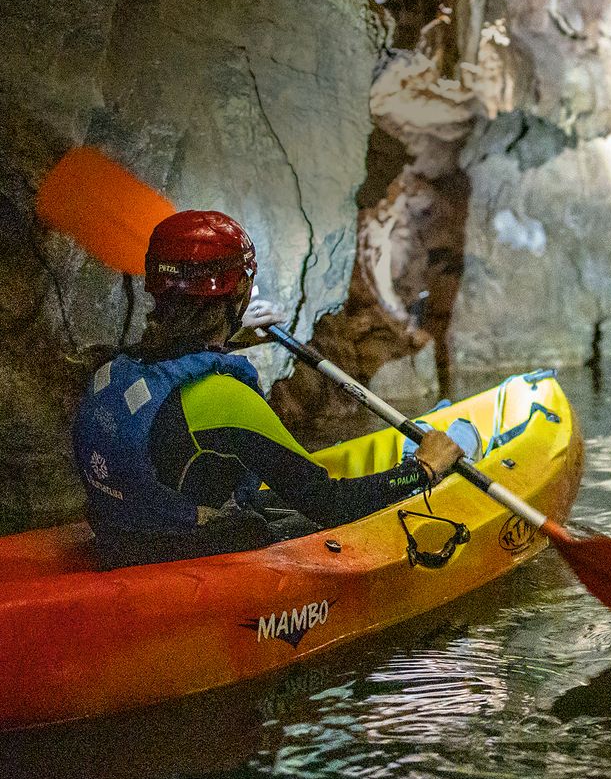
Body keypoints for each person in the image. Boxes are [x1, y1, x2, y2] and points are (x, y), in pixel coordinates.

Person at [72, 209, 463, 569]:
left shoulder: (114, 368)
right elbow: (329, 503)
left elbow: (175, 360)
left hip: (121, 539)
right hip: (187, 558)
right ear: (239, 292)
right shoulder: (223, 399)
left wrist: (235, 336)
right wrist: (422, 469)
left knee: (270, 500)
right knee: (307, 513)